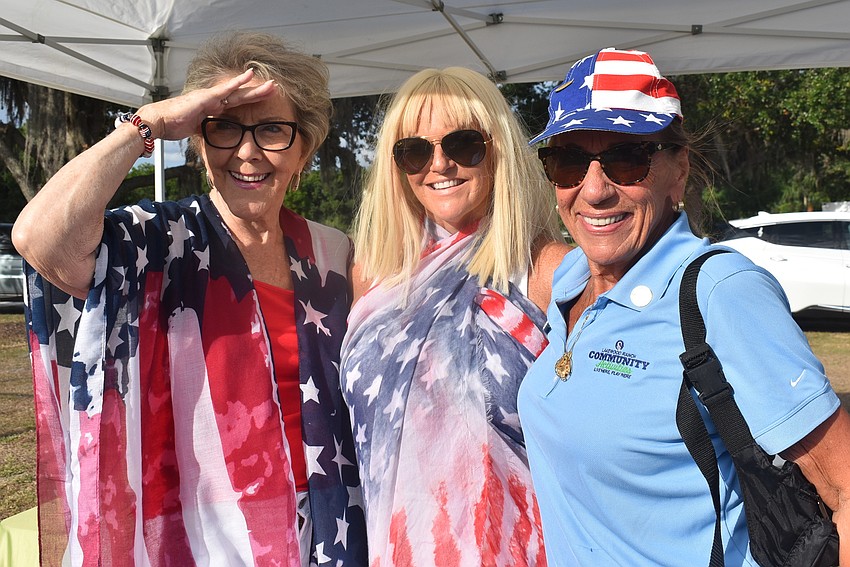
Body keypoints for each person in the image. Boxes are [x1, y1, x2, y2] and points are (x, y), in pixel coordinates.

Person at [13, 31, 367, 566]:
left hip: (328, 526)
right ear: (200, 144)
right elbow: (38, 239)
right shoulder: (160, 240)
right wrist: (148, 124)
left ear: (304, 149)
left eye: (273, 129)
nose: (247, 152)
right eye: (224, 127)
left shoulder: (333, 252)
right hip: (200, 537)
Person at [517, 48, 850, 566]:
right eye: (569, 162)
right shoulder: (569, 278)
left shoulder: (721, 291)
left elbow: (844, 490)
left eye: (627, 158)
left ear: (679, 170)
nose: (594, 190)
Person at [340, 66, 571, 566]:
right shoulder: (370, 277)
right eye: (415, 151)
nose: (440, 164)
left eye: (463, 144)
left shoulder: (548, 270)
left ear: (497, 149)